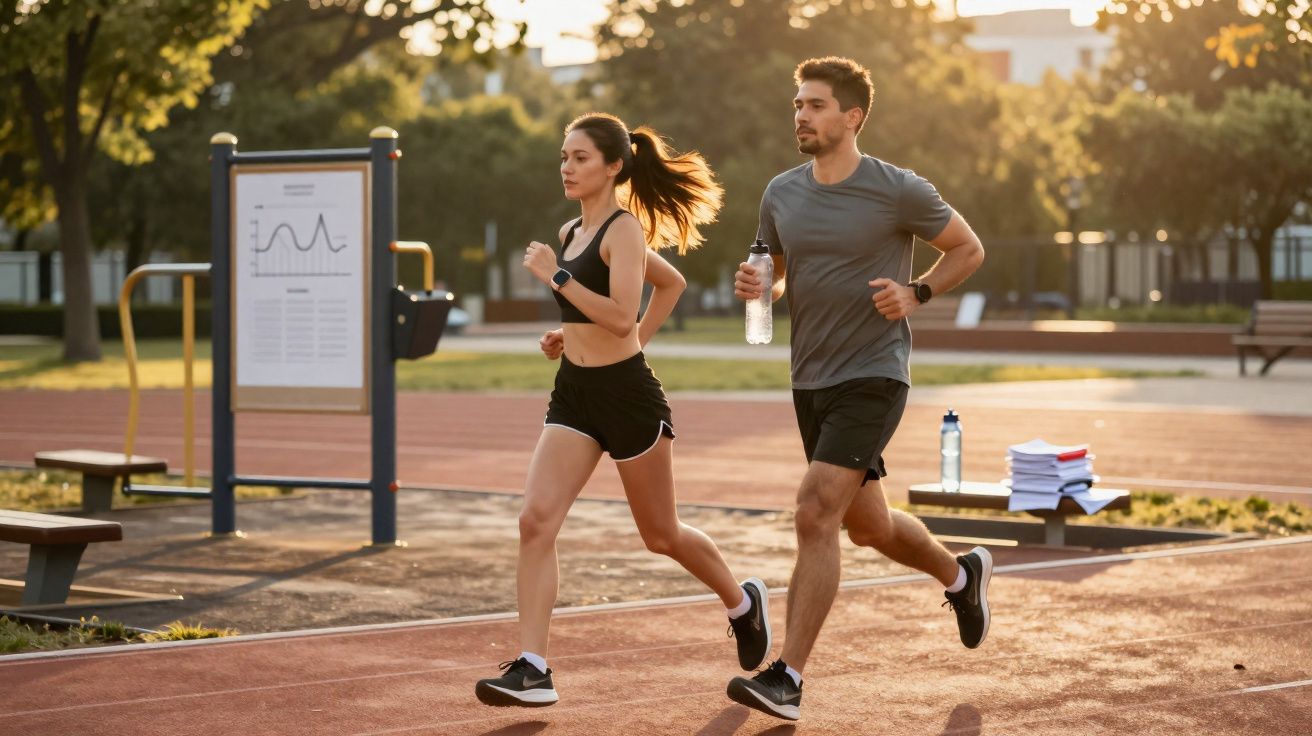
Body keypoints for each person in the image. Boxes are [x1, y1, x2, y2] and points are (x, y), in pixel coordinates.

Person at [475, 112, 772, 708]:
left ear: (613, 166)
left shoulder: (624, 230)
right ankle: (533, 667)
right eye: (563, 156)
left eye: (580, 157)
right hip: (575, 395)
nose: (567, 166)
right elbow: (660, 291)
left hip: (627, 396)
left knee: (660, 535)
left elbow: (620, 314)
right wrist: (567, 334)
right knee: (535, 521)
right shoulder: (570, 231)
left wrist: (558, 282)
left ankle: (742, 601)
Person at [725, 57, 990, 722]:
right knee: (867, 526)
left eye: (815, 106)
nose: (801, 117)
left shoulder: (896, 188)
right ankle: (962, 576)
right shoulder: (780, 192)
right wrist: (762, 287)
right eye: (796, 106)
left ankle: (786, 677)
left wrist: (917, 290)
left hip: (874, 374)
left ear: (853, 116)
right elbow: (777, 273)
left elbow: (968, 249)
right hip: (808, 377)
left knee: (815, 511)